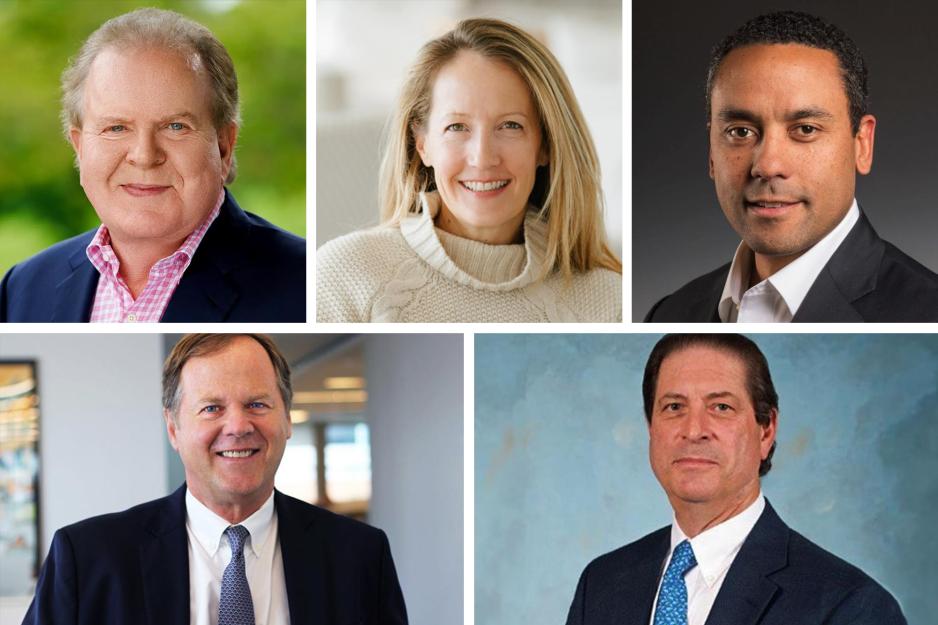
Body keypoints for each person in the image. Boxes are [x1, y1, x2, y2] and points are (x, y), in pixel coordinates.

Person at [22, 334, 407, 624]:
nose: (238, 426)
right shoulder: (88, 557)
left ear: (287, 418)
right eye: (211, 408)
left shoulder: (359, 554)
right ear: (173, 428)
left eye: (257, 404)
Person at [566, 334, 907, 625]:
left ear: (766, 430)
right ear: (651, 428)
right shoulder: (602, 583)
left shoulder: (850, 607)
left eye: (721, 407)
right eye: (673, 407)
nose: (693, 430)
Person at [0, 8, 305, 323]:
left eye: (175, 126)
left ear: (224, 146)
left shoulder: (306, 285)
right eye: (116, 128)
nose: (144, 155)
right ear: (79, 146)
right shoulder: (21, 289)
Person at [317, 18, 621, 323]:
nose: (482, 157)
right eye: (457, 127)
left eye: (510, 126)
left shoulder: (610, 301)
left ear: (545, 145)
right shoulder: (344, 277)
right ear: (422, 144)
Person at [645, 11, 938, 322]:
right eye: (740, 132)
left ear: (862, 143)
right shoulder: (670, 313)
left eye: (806, 129)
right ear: (711, 152)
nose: (768, 165)